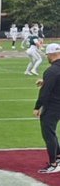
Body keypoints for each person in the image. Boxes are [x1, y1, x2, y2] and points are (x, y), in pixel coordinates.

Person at [33, 40, 60, 173]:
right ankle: (58, 157)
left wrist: (38, 107)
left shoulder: (51, 70)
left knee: (48, 133)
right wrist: (45, 81)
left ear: (51, 55)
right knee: (52, 132)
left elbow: (45, 92)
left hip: (53, 105)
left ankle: (53, 164)